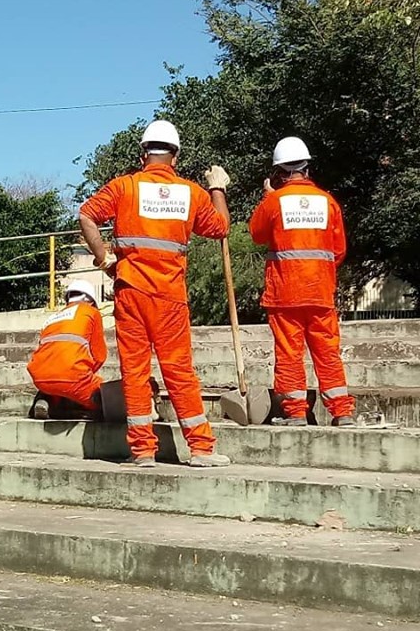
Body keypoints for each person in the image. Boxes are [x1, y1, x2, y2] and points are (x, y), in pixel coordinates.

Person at [79, 119, 232, 467]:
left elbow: (87, 215)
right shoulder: (191, 193)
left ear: (143, 153)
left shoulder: (125, 187)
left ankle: (143, 451)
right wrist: (217, 188)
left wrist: (104, 258)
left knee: (134, 371)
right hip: (169, 296)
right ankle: (201, 449)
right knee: (178, 369)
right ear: (175, 157)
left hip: (130, 290)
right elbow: (221, 228)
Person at [248, 136, 353, 427]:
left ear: (279, 172)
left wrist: (268, 196)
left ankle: (296, 412)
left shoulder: (275, 201)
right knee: (327, 351)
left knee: (289, 352)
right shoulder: (328, 202)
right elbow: (339, 250)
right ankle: (341, 412)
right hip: (320, 291)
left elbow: (256, 234)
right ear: (307, 168)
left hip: (285, 293)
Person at [26, 279, 107, 420]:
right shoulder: (91, 312)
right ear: (91, 301)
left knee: (55, 385)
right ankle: (80, 403)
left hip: (40, 378)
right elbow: (99, 356)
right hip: (73, 377)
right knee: (105, 398)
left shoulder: (52, 317)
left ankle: (45, 400)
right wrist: (84, 374)